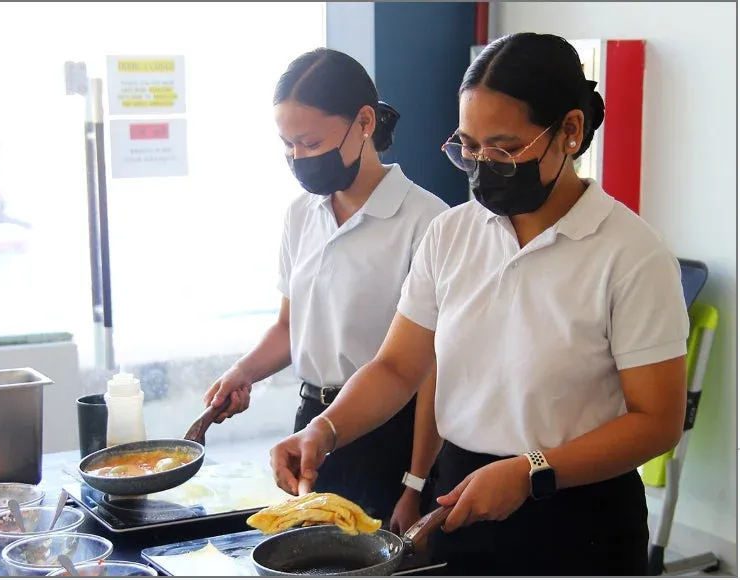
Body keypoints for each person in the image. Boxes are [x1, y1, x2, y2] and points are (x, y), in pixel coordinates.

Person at [268, 33, 689, 576]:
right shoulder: (451, 234)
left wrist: (532, 470)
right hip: (461, 496)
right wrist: (323, 430)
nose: (483, 165)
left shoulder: (631, 254)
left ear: (570, 131)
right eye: (469, 146)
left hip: (579, 513)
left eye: (505, 148)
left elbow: (657, 421)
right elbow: (398, 367)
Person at [203, 48, 449, 524]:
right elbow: (290, 326)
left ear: (364, 121)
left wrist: (415, 483)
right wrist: (244, 372)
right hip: (311, 424)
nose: (298, 158)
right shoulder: (301, 214)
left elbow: (431, 370)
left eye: (311, 143)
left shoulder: (427, 222)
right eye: (287, 145)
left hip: (392, 433)